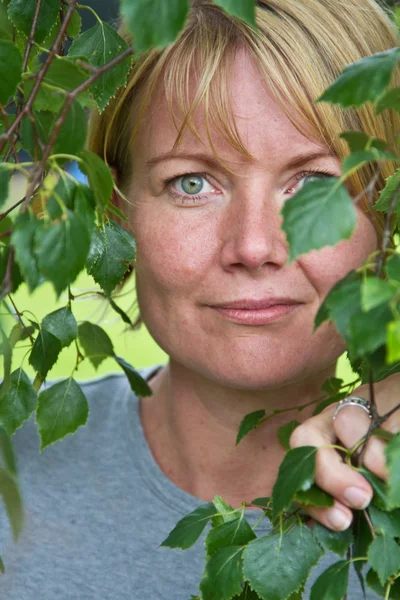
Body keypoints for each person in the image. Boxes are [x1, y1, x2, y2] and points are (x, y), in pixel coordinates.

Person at [1, 0, 400, 598]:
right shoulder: (16, 468)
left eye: (314, 183)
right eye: (193, 183)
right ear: (118, 213)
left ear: (388, 214)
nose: (254, 245)